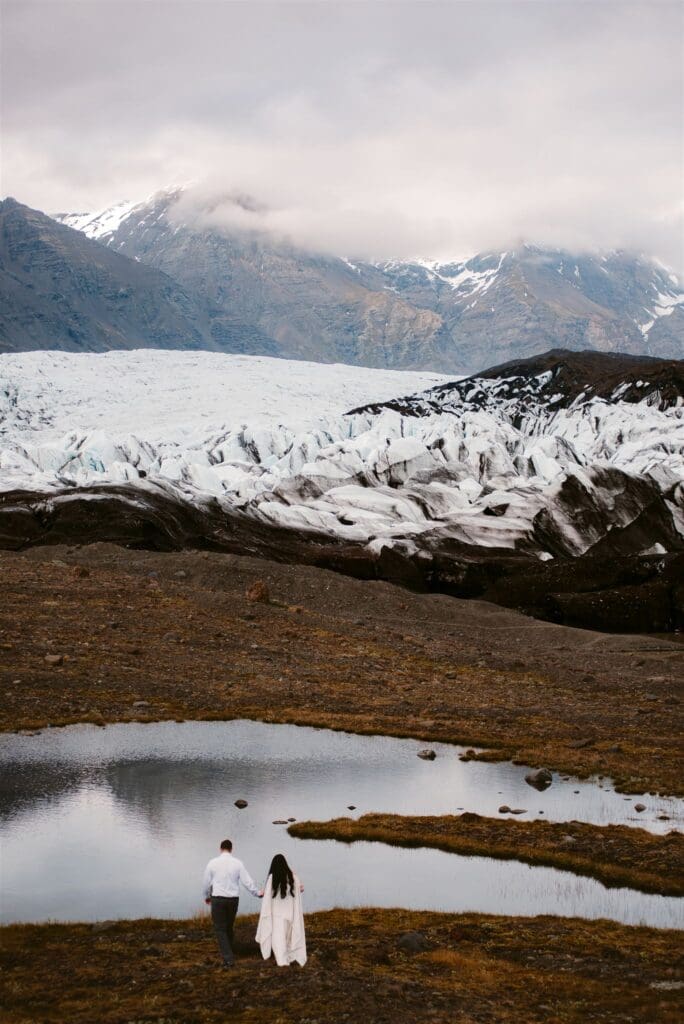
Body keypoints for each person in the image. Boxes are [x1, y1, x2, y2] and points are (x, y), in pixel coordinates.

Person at [202, 838, 262, 967]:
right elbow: (247, 881)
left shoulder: (212, 863)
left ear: (220, 849)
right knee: (228, 927)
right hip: (233, 900)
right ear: (231, 849)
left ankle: (228, 959)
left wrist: (207, 896)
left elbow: (206, 882)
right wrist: (257, 893)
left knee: (220, 929)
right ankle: (230, 951)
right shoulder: (238, 863)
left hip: (218, 899)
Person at [255, 854, 307, 967]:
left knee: (278, 941)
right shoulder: (293, 877)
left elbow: (267, 899)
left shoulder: (272, 878)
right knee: (288, 939)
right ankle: (288, 958)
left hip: (277, 916)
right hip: (290, 914)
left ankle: (283, 963)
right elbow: (299, 890)